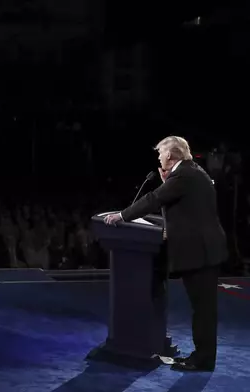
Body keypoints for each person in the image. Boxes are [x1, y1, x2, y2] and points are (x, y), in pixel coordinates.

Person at [104, 136, 228, 372]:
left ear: (171, 155)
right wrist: (166, 181)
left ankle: (203, 359)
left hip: (201, 251)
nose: (159, 157)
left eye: (160, 153)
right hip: (206, 249)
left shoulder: (184, 175)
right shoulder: (190, 173)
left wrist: (122, 215)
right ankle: (202, 356)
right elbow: (172, 203)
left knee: (202, 309)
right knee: (202, 308)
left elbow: (155, 198)